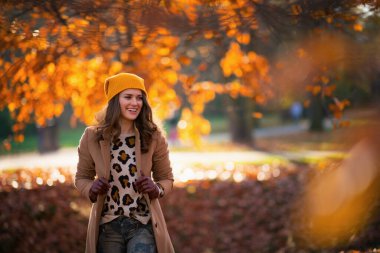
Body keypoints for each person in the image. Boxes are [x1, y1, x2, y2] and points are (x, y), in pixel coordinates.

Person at [75, 73, 175, 253]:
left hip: (142, 224)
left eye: (139, 98)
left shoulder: (153, 136)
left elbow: (166, 178)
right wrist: (91, 188)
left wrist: (156, 189)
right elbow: (82, 177)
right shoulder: (92, 136)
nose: (135, 103)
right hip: (107, 225)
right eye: (128, 97)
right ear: (115, 101)